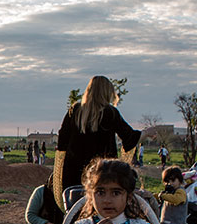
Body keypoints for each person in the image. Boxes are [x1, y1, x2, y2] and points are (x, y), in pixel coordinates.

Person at [54, 75, 141, 209]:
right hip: (102, 174)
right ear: (107, 92)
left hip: (72, 174)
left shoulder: (75, 111)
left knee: (74, 212)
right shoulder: (110, 113)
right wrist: (145, 134)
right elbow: (129, 137)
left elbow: (62, 143)